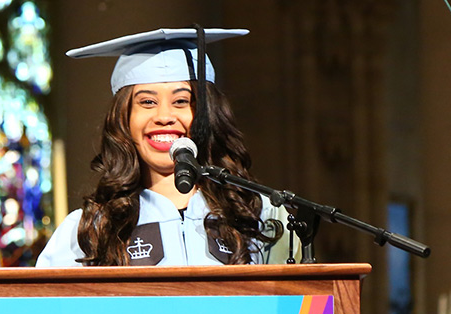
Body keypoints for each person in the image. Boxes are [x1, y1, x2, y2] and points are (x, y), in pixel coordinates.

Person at [36, 27, 300, 267]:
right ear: (124, 120)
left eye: (182, 101)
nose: (164, 116)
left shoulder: (259, 216)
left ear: (208, 116)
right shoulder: (88, 230)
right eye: (147, 102)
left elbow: (304, 313)